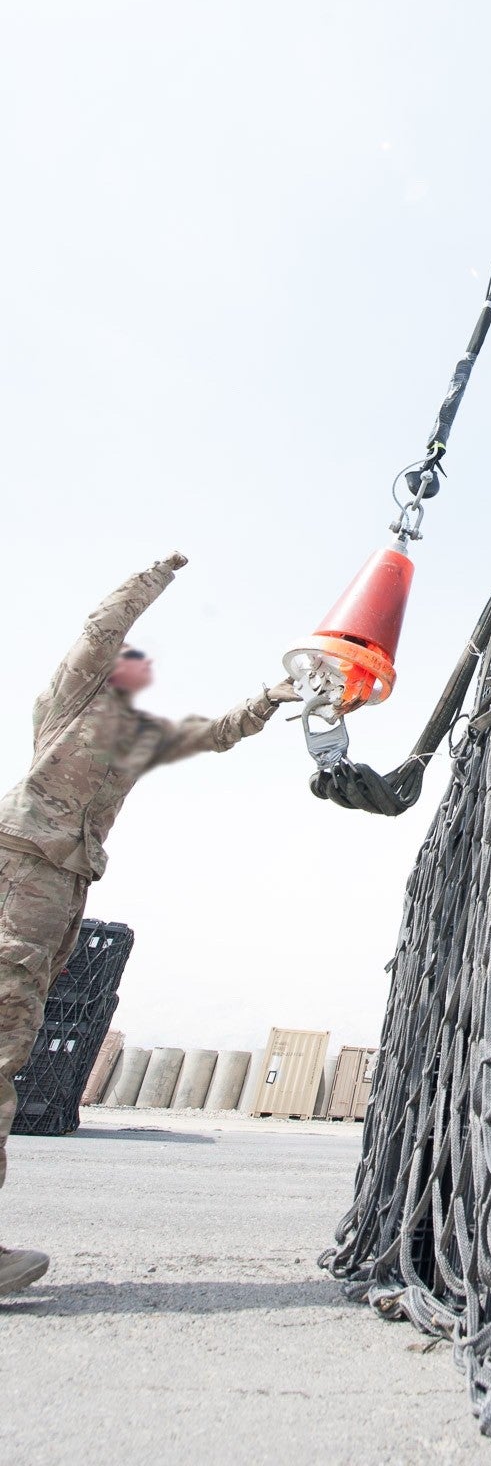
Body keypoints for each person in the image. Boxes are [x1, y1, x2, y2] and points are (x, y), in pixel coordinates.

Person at [0, 551, 296, 1296]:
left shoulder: (134, 741)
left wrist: (271, 696)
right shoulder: (72, 705)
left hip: (58, 890)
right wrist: (152, 579)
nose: (135, 673)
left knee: (8, 1045)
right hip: (21, 875)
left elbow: (216, 731)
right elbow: (100, 631)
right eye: (125, 666)